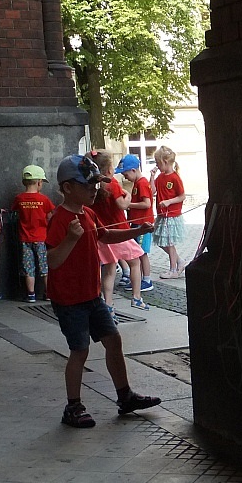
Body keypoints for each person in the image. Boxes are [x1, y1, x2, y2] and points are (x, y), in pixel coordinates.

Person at [46, 154, 160, 428]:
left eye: (96, 184)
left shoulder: (88, 214)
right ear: (68, 187)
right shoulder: (60, 219)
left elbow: (105, 235)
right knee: (79, 350)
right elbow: (53, 261)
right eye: (88, 185)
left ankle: (125, 396)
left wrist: (135, 232)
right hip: (69, 300)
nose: (94, 189)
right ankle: (73, 406)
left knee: (113, 341)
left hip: (92, 296)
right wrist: (71, 238)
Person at [90, 152, 148, 314]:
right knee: (135, 262)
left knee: (109, 269)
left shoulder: (92, 186)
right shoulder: (112, 184)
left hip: (103, 234)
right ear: (109, 170)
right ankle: (136, 297)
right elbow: (122, 205)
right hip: (121, 232)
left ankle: (108, 304)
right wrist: (128, 195)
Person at [12, 165, 56, 302]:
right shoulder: (44, 200)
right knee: (44, 267)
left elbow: (14, 213)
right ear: (39, 182)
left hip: (25, 239)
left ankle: (31, 294)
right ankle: (48, 293)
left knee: (28, 267)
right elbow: (50, 216)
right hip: (41, 238)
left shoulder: (19, 199)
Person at [115, 154, 155, 292]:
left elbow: (146, 204)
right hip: (137, 223)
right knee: (138, 252)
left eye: (125, 174)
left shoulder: (142, 183)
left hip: (143, 224)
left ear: (133, 170)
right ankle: (140, 279)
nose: (125, 177)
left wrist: (128, 205)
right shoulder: (138, 183)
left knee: (141, 253)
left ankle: (147, 280)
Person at [151, 146, 186, 279]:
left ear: (165, 162)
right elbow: (152, 191)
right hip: (162, 214)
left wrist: (169, 202)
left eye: (158, 163)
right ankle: (180, 261)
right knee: (161, 241)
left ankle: (173, 270)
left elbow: (182, 196)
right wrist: (152, 177)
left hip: (171, 215)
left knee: (170, 243)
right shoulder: (160, 177)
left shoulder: (175, 178)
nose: (157, 165)